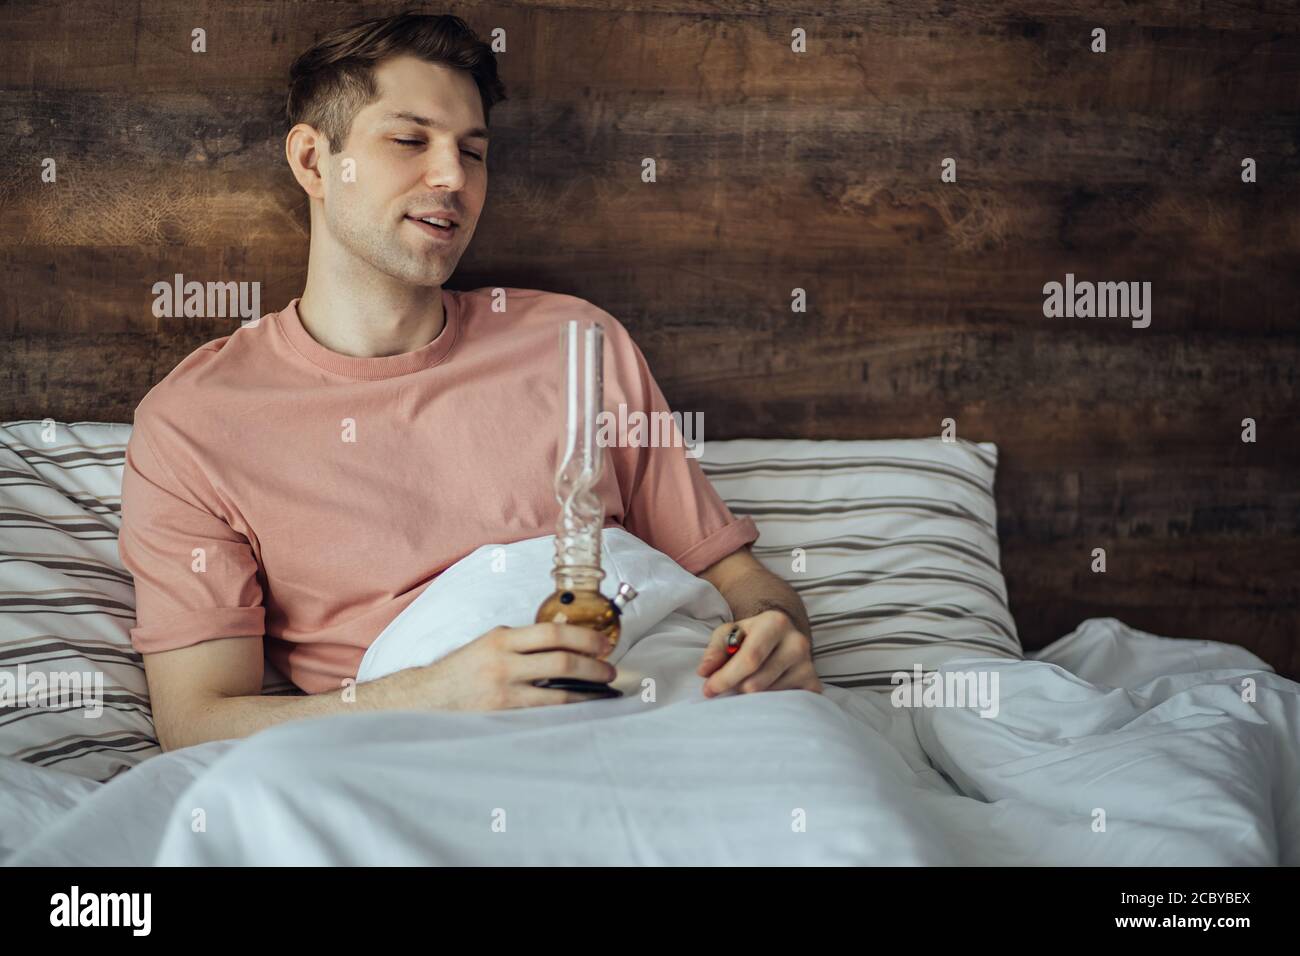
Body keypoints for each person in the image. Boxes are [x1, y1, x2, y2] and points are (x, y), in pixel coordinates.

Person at [119, 12, 821, 753]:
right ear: (314, 161)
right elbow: (196, 725)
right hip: (441, 752)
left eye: (474, 152)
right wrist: (432, 694)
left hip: (685, 708)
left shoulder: (577, 343)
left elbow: (738, 580)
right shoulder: (196, 424)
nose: (453, 177)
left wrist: (775, 632)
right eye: (410, 140)